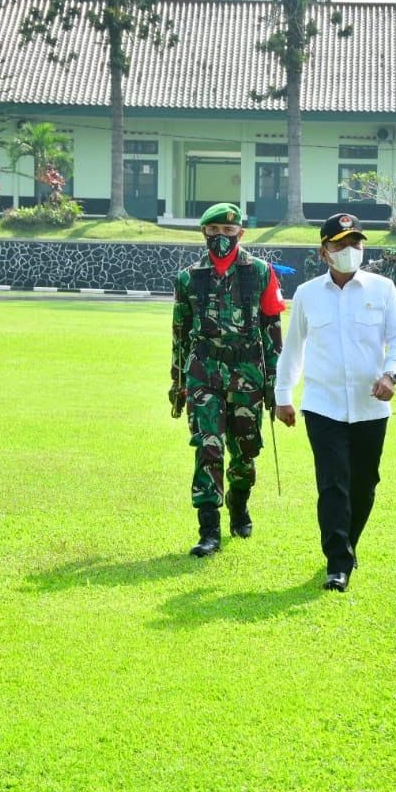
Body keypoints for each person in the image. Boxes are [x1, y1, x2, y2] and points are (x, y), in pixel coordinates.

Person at [274, 213, 396, 592]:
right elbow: (293, 348)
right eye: (341, 244)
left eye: (356, 243)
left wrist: (391, 374)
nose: (351, 251)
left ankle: (348, 546)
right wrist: (283, 395)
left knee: (365, 484)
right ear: (324, 252)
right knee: (334, 484)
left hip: (371, 405)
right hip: (323, 405)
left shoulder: (383, 289)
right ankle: (337, 562)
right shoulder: (307, 294)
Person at [170, 202, 285, 558]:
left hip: (248, 374)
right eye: (214, 230)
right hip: (204, 372)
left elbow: (272, 331)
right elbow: (180, 335)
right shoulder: (188, 278)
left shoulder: (262, 273)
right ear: (204, 233)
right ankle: (209, 530)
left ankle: (239, 502)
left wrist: (274, 385)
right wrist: (178, 384)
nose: (221, 237)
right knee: (208, 446)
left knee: (245, 450)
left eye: (228, 231)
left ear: (241, 233)